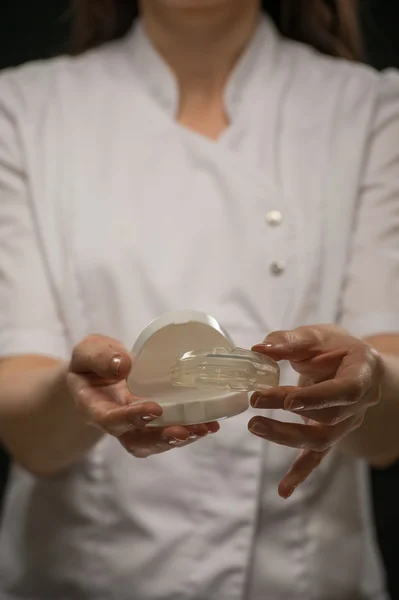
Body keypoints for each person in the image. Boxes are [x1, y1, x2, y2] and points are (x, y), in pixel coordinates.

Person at [0, 0, 398, 598]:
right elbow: (31, 439)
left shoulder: (369, 110)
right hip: (87, 573)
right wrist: (78, 396)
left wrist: (366, 385)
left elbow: (386, 435)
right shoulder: (25, 110)